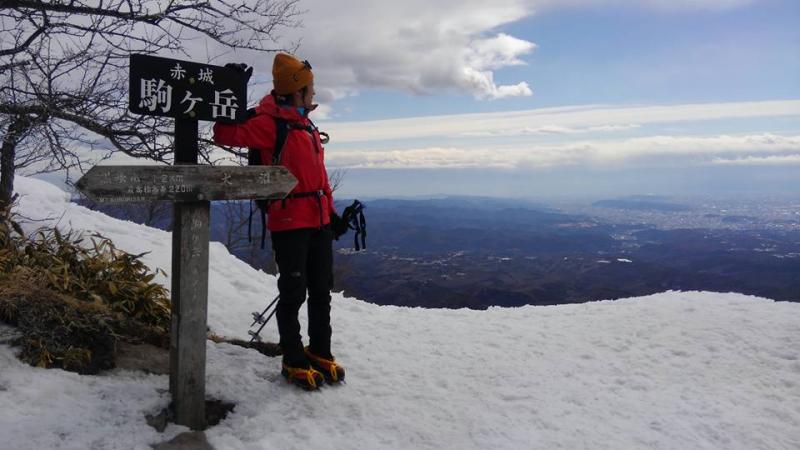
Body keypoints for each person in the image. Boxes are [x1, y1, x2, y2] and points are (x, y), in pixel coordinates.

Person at [213, 53, 346, 390]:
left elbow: (320, 177)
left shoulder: (305, 125)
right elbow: (223, 133)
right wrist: (229, 91)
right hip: (289, 222)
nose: (314, 93)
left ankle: (320, 351)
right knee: (293, 293)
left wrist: (331, 213)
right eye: (310, 88)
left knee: (321, 290)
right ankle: (293, 359)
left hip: (317, 220)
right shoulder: (270, 123)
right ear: (297, 91)